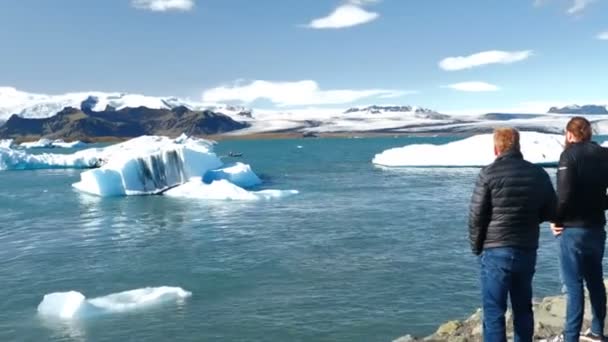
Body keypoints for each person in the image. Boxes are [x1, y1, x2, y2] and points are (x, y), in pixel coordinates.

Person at [469, 127, 557, 342]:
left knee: (494, 312)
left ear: (496, 148)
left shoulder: (487, 173)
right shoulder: (538, 173)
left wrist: (476, 247)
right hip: (526, 248)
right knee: (523, 308)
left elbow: (476, 216)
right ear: (518, 145)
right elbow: (551, 211)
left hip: (495, 249)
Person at [549, 117, 608, 342]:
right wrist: (601, 203)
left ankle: (571, 336)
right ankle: (597, 330)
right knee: (595, 280)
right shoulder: (604, 154)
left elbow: (563, 195)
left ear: (570, 134)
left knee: (573, 285)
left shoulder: (569, 155)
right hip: (596, 227)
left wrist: (556, 219)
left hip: (572, 229)